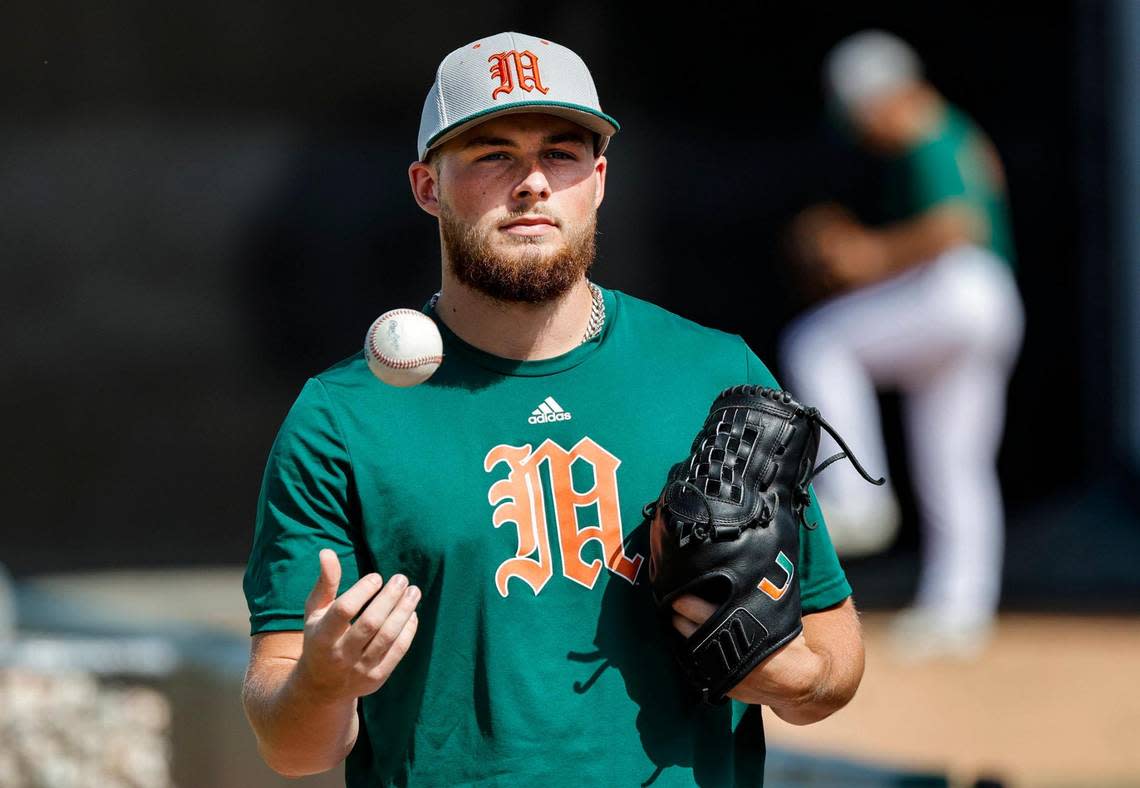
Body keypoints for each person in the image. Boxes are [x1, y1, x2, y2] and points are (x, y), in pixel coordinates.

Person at [241, 31, 865, 786]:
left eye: (561, 153)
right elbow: (291, 748)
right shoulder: (343, 418)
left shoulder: (713, 372)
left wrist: (797, 679)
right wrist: (322, 682)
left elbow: (835, 654)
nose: (532, 181)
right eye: (493, 154)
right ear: (427, 186)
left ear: (598, 179)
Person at [778, 30, 1025, 659]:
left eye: (862, 112)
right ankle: (959, 611)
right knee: (955, 464)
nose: (864, 128)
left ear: (881, 95)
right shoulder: (953, 132)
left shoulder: (925, 125)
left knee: (818, 341)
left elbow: (956, 224)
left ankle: (857, 496)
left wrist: (869, 255)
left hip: (959, 290)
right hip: (988, 303)